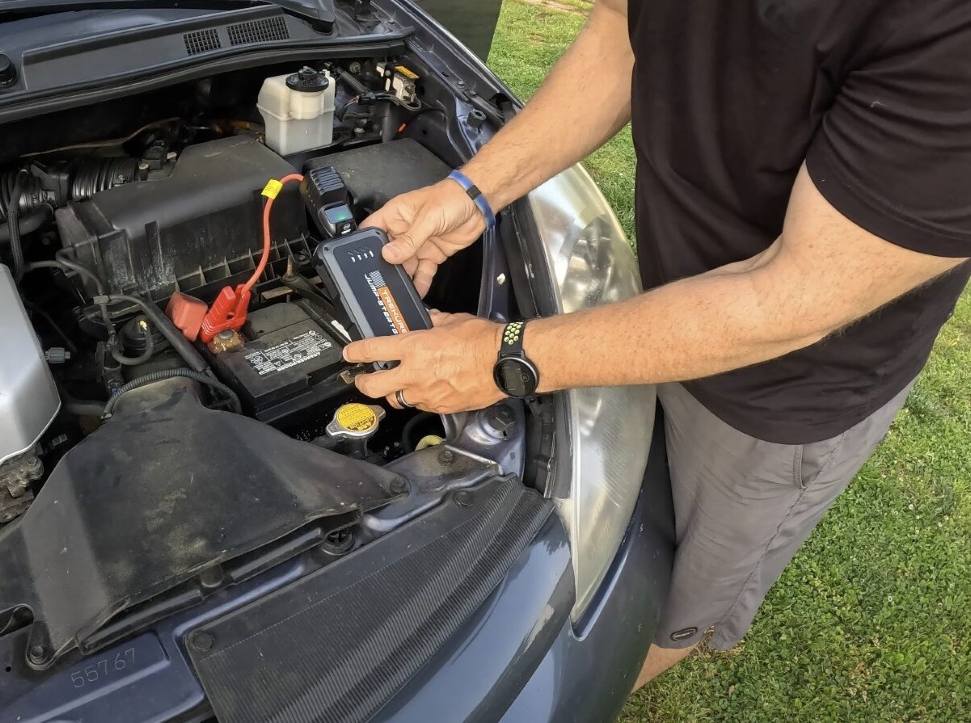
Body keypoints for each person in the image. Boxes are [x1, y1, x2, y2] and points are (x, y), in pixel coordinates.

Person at [341, 0, 971, 689]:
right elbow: (621, 35)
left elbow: (791, 300)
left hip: (780, 388)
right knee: (618, 501)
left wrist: (504, 355)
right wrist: (471, 192)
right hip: (670, 290)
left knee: (657, 603)